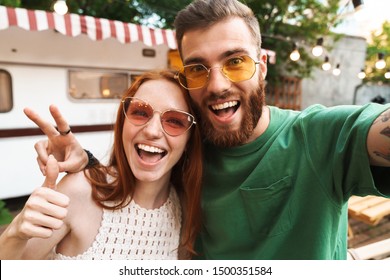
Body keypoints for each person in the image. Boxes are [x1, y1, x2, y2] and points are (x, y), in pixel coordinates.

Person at [24, 0, 390, 259]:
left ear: (262, 66)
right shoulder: (189, 146)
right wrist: (88, 162)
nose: (216, 85)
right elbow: (137, 183)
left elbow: (370, 131)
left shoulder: (317, 136)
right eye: (198, 68)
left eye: (235, 62)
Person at [0, 70, 203, 260]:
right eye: (140, 113)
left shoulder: (184, 207)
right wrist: (15, 233)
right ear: (123, 123)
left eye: (175, 121)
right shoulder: (80, 191)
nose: (152, 131)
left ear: (189, 140)